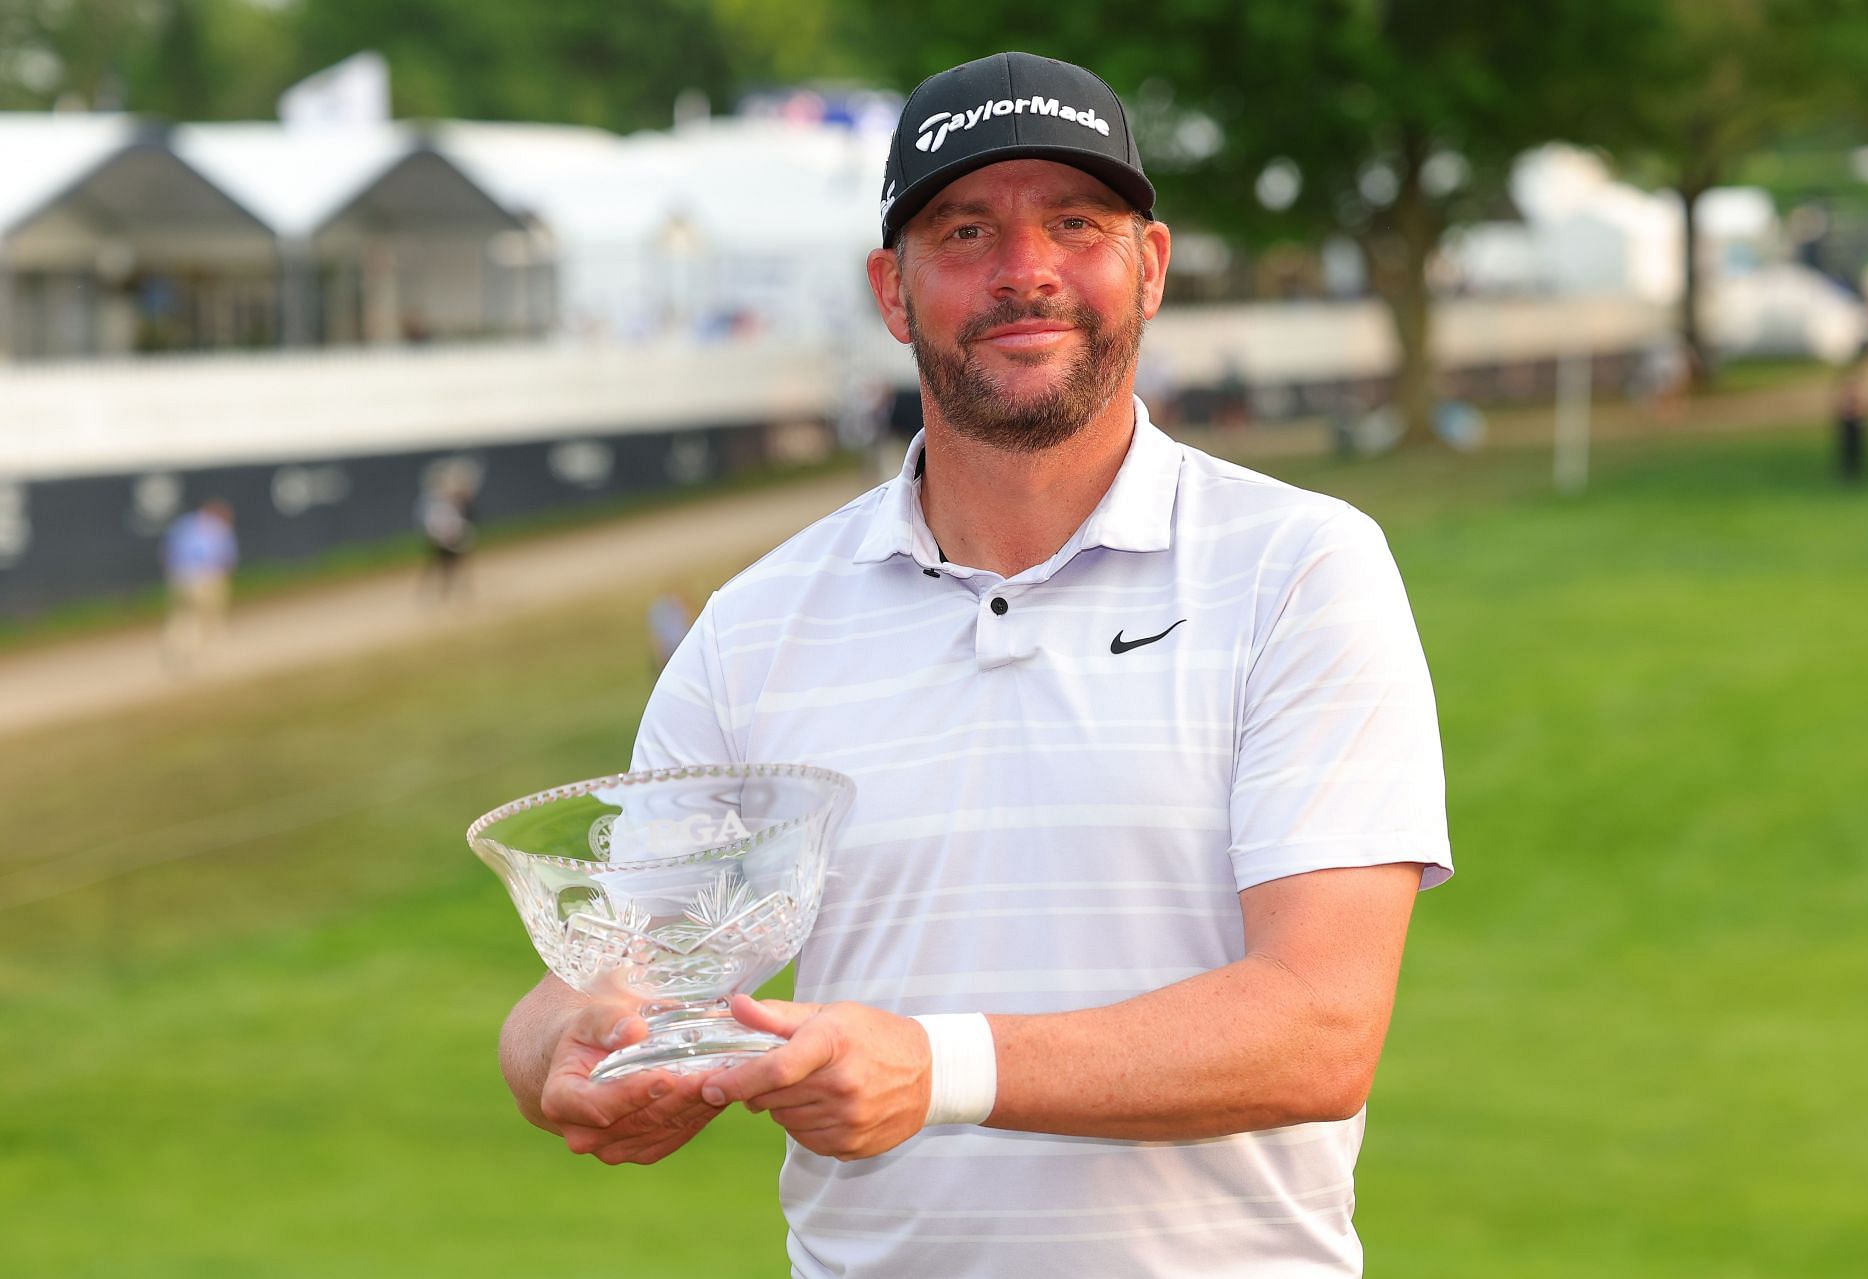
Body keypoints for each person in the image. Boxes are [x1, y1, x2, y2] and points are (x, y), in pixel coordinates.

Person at [499, 52, 1451, 1277]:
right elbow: (615, 972)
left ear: (1149, 266)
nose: (1026, 270)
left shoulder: (1300, 569)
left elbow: (1318, 1028)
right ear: (892, 291)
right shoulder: (757, 625)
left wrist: (940, 1070)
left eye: (1076, 223)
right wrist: (560, 1059)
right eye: (966, 230)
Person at [160, 497, 237, 672]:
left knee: (182, 616)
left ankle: (175, 648)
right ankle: (201, 654)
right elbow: (227, 557)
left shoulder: (184, 525)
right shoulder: (218, 528)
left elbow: (168, 552)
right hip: (208, 577)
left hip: (181, 576)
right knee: (207, 618)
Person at [416, 476, 475, 602]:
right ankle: (431, 593)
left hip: (451, 541)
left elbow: (458, 523)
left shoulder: (452, 505)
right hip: (441, 541)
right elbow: (433, 524)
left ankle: (455, 592)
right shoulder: (437, 506)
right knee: (437, 567)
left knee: (454, 567)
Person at [1835, 363, 1868, 482]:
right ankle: (1848, 472)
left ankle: (1858, 471)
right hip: (1848, 426)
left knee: (1858, 450)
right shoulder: (1845, 394)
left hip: (1857, 426)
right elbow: (1841, 410)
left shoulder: (1861, 394)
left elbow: (1865, 409)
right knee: (1847, 451)